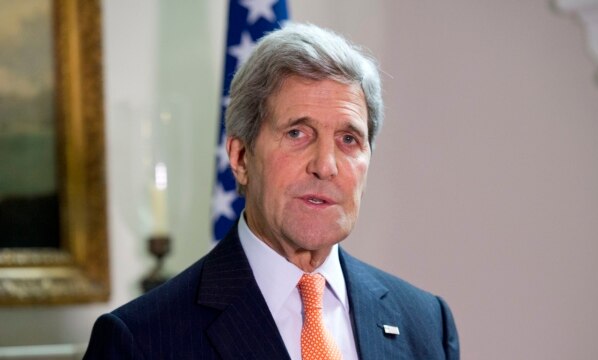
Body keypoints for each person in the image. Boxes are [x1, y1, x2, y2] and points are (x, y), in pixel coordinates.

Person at [85, 23, 459, 360]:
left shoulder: (425, 324)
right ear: (241, 156)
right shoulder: (141, 341)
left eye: (348, 139)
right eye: (298, 133)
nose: (325, 165)